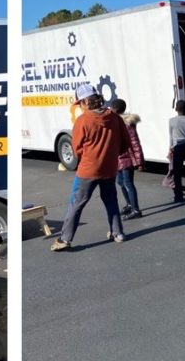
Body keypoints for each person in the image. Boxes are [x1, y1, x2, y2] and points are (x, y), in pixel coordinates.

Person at [51, 83, 130, 250]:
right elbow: (125, 143)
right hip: (110, 168)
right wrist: (110, 155)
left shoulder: (83, 120)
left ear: (86, 102)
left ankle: (65, 239)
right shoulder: (115, 118)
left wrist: (88, 157)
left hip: (88, 170)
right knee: (111, 200)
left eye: (80, 103)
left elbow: (77, 148)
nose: (80, 106)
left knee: (77, 203)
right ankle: (118, 232)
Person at [109, 98, 145, 220]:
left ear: (115, 109)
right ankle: (130, 204)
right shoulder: (115, 122)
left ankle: (136, 210)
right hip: (118, 159)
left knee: (128, 183)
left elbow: (135, 142)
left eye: (111, 108)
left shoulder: (127, 123)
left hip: (126, 158)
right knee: (120, 182)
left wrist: (140, 161)